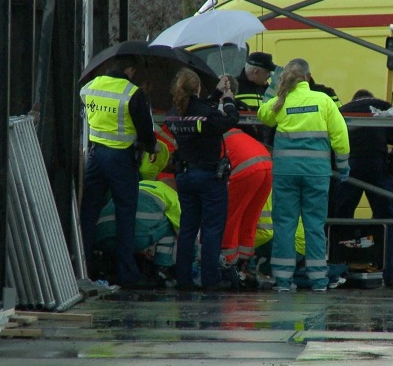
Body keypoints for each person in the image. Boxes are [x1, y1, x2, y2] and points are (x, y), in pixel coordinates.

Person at [257, 58, 350, 292]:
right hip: (316, 175)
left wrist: (272, 90)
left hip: (286, 173)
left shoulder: (281, 101)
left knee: (285, 225)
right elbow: (340, 135)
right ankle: (319, 280)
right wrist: (343, 165)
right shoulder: (323, 100)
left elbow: (262, 116)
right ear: (308, 77)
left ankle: (283, 280)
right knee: (314, 226)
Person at [79, 56, 159, 288]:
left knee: (89, 211)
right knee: (125, 213)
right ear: (130, 69)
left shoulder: (89, 87)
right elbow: (145, 130)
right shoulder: (132, 93)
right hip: (121, 159)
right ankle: (126, 273)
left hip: (95, 156)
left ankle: (85, 266)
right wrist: (151, 146)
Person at [166, 68, 239, 291]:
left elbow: (199, 111)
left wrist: (216, 94)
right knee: (211, 229)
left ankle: (184, 279)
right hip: (209, 177)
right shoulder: (206, 113)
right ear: (197, 87)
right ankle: (210, 280)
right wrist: (228, 99)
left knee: (188, 229)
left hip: (185, 176)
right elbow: (230, 119)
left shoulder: (173, 113)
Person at [336, 89, 393, 287]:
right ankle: (391, 273)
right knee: (385, 218)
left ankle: (338, 268)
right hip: (377, 165)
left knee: (340, 217)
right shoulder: (382, 106)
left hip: (348, 165)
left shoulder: (342, 109)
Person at [93, 178, 181, 286]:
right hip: (133, 239)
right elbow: (184, 232)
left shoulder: (140, 183)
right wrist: (192, 259)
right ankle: (162, 269)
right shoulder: (173, 195)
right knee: (171, 223)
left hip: (101, 238)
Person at [221, 127, 273, 275]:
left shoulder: (212, 137)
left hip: (246, 169)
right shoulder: (235, 133)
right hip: (267, 166)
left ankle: (228, 262)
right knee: (250, 217)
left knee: (231, 216)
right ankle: (244, 264)